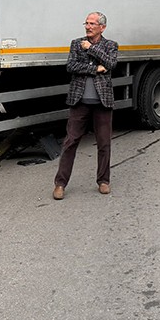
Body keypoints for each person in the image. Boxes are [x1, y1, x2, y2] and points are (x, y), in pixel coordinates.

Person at [52, 12, 120, 200]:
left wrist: (91, 49)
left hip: (102, 102)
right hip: (79, 101)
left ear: (102, 27)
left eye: (92, 24)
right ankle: (60, 184)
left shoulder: (110, 45)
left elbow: (111, 63)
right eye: (86, 23)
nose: (88, 26)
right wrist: (95, 68)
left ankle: (103, 181)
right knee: (70, 142)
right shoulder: (76, 43)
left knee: (104, 143)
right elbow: (71, 66)